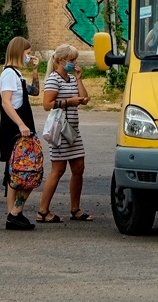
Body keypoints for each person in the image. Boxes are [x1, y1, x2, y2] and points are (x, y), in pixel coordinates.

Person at [36, 44, 92, 224]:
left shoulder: (72, 78)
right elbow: (47, 105)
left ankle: (75, 209)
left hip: (73, 131)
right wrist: (69, 102)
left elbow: (85, 99)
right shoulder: (54, 79)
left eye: (75, 60)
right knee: (58, 170)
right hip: (60, 131)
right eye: (72, 60)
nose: (74, 63)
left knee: (79, 168)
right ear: (61, 61)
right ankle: (43, 210)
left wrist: (79, 79)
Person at [0, 36, 39, 230]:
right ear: (19, 52)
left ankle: (14, 214)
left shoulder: (17, 74)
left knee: (16, 172)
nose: (29, 56)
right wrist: (21, 124)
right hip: (16, 129)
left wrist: (35, 71)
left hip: (22, 128)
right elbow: (6, 102)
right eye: (27, 53)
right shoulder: (8, 74)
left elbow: (34, 91)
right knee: (27, 171)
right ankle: (14, 212)